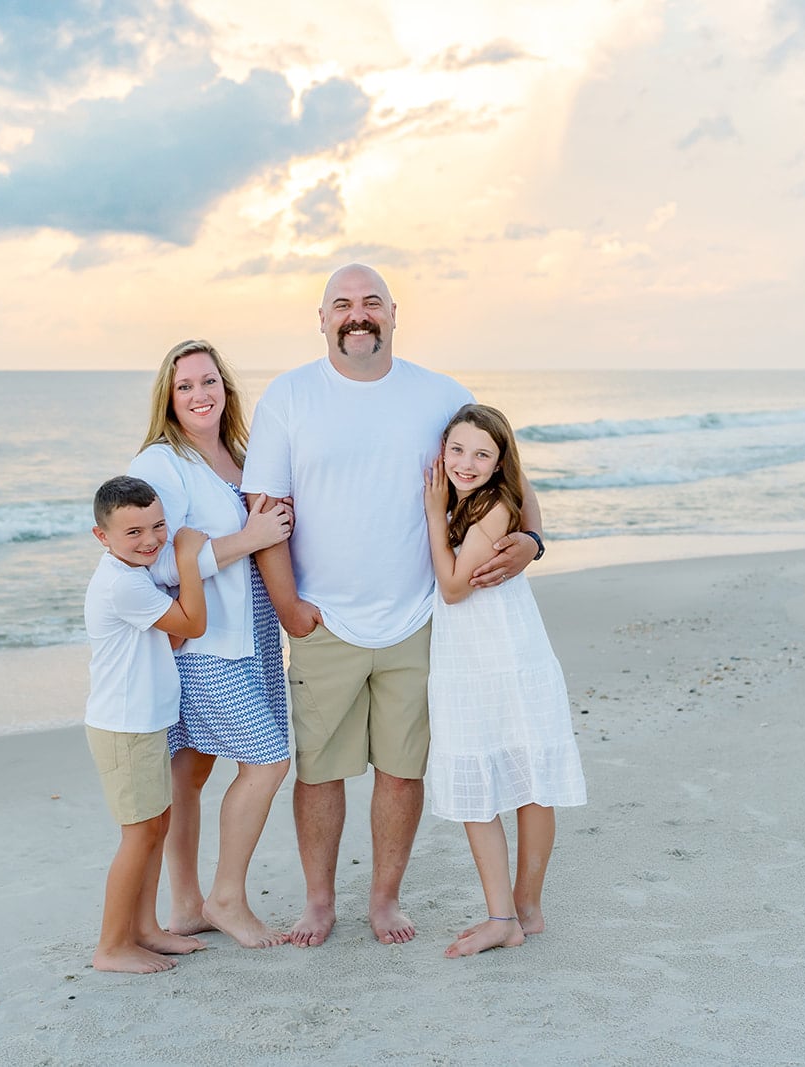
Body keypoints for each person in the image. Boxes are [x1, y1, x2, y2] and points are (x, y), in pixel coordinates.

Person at [242, 263, 544, 947]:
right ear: (321, 318)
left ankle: (385, 899)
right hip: (325, 620)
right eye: (342, 304)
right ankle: (319, 902)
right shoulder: (289, 398)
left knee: (401, 770)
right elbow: (265, 510)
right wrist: (289, 606)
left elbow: (510, 474)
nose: (358, 314)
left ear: (393, 313)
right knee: (319, 771)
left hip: (420, 617)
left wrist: (531, 538)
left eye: (371, 302)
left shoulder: (439, 395)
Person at [127, 340, 295, 949]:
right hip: (205, 644)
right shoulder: (159, 465)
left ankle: (187, 905)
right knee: (268, 760)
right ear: (168, 400)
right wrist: (249, 538)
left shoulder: (241, 455)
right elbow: (161, 562)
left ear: (226, 387)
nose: (200, 395)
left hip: (255, 637)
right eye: (185, 386)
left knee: (190, 769)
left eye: (209, 381)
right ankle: (226, 898)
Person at [422, 404, 587, 957]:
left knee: (506, 778)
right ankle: (519, 911)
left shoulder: (489, 507)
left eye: (482, 454)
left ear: (500, 463)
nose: (466, 463)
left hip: (494, 656)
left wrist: (431, 514)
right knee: (509, 774)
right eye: (457, 450)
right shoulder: (480, 498)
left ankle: (510, 914)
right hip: (485, 653)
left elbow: (452, 586)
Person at [82, 475, 211, 973]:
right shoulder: (123, 583)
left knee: (155, 825)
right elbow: (192, 625)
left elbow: (171, 638)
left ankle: (145, 929)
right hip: (123, 726)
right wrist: (187, 556)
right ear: (103, 537)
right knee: (139, 834)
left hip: (144, 721)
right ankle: (111, 946)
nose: (150, 539)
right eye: (133, 532)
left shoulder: (134, 576)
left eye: (158, 526)